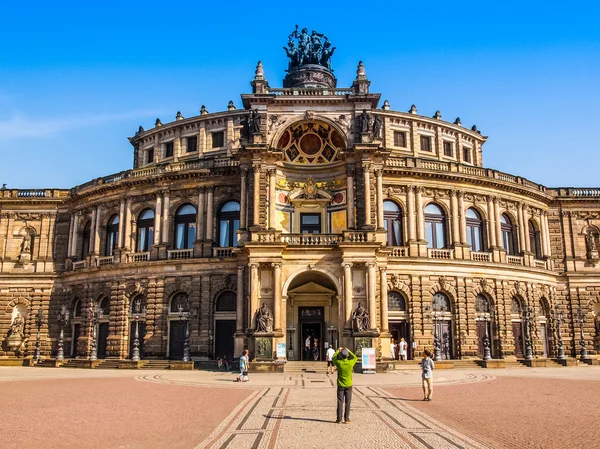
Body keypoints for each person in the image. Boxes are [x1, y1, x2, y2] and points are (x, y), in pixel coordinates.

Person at [332, 347, 358, 424]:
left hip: (340, 385)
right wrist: (349, 351)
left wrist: (337, 351)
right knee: (348, 402)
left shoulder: (339, 363)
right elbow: (355, 357)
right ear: (347, 356)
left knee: (340, 402)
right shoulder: (350, 363)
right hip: (349, 385)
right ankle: (346, 418)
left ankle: (339, 419)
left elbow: (333, 358)